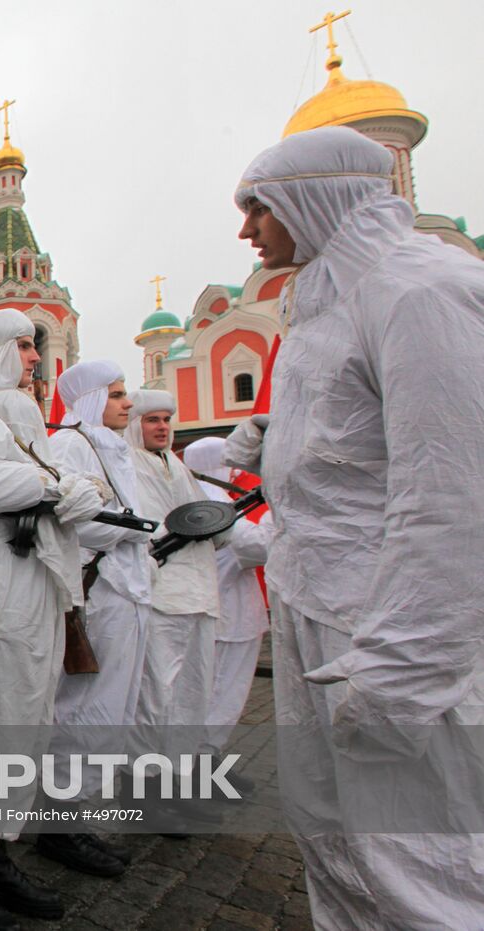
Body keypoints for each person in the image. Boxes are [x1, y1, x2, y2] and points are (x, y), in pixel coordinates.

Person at [226, 125, 484, 929]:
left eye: (258, 209)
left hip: (384, 631)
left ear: (316, 194)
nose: (246, 231)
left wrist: (404, 667)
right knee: (335, 835)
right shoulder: (327, 301)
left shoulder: (420, 288)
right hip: (319, 609)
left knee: (421, 859)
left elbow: (451, 491)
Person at [0, 309, 105, 928]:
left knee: (23, 729)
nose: (35, 359)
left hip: (36, 587)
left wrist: (71, 489)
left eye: (36, 347)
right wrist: (50, 487)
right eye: (24, 347)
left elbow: (37, 486)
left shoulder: (18, 423)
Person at [38, 361, 153, 877]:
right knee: (83, 708)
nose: (128, 404)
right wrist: (131, 531)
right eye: (117, 395)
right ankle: (58, 823)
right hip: (97, 595)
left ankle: (76, 813)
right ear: (89, 399)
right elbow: (72, 521)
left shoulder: (111, 448)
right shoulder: (71, 445)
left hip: (126, 593)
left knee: (112, 709)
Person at [122, 390, 222, 816]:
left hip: (200, 593)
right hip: (163, 597)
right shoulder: (128, 465)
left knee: (191, 696)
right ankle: (145, 792)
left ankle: (179, 785)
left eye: (166, 419)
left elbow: (206, 518)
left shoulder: (176, 466)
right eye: (152, 420)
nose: (162, 427)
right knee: (155, 698)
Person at [182, 437, 270, 765]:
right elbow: (257, 546)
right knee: (218, 699)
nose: (234, 470)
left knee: (220, 700)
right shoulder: (211, 497)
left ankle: (209, 763)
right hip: (227, 617)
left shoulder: (209, 494)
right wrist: (281, 507)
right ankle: (201, 767)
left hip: (232, 614)